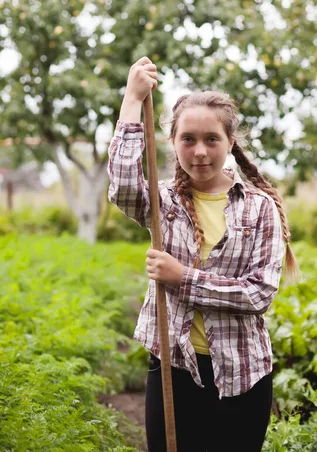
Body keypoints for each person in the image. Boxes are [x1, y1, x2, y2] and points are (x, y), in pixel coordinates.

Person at [107, 56, 299, 452]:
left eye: (211, 139)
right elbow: (124, 187)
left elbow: (258, 294)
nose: (199, 151)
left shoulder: (258, 207)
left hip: (242, 372)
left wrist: (183, 278)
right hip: (173, 368)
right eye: (187, 139)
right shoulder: (164, 202)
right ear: (172, 142)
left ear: (230, 143)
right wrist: (131, 100)